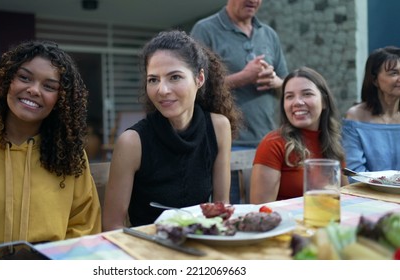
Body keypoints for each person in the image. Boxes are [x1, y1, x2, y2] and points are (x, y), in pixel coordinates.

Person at [0, 40, 101, 259]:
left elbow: (84, 229)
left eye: (49, 86)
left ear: (60, 100)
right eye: (24, 78)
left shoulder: (70, 155)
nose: (33, 90)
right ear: (6, 81)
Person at [102, 30, 242, 230]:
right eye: (153, 79)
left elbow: (221, 206)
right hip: (149, 248)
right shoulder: (133, 142)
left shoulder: (219, 127)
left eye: (174, 77)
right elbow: (112, 225)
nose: (162, 90)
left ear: (199, 78)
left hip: (201, 244)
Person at [190, 0, 288, 203]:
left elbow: (287, 83)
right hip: (226, 144)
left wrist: (275, 80)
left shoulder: (269, 34)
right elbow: (194, 87)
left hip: (267, 142)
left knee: (265, 214)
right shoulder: (205, 29)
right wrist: (243, 77)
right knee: (228, 215)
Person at [250, 67, 348, 204]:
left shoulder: (334, 143)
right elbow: (261, 209)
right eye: (289, 96)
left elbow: (345, 199)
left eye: (307, 94)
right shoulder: (273, 143)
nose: (297, 102)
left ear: (324, 101)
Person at [342, 46, 400, 178]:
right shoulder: (355, 117)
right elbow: (354, 172)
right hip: (368, 195)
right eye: (393, 73)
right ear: (374, 80)